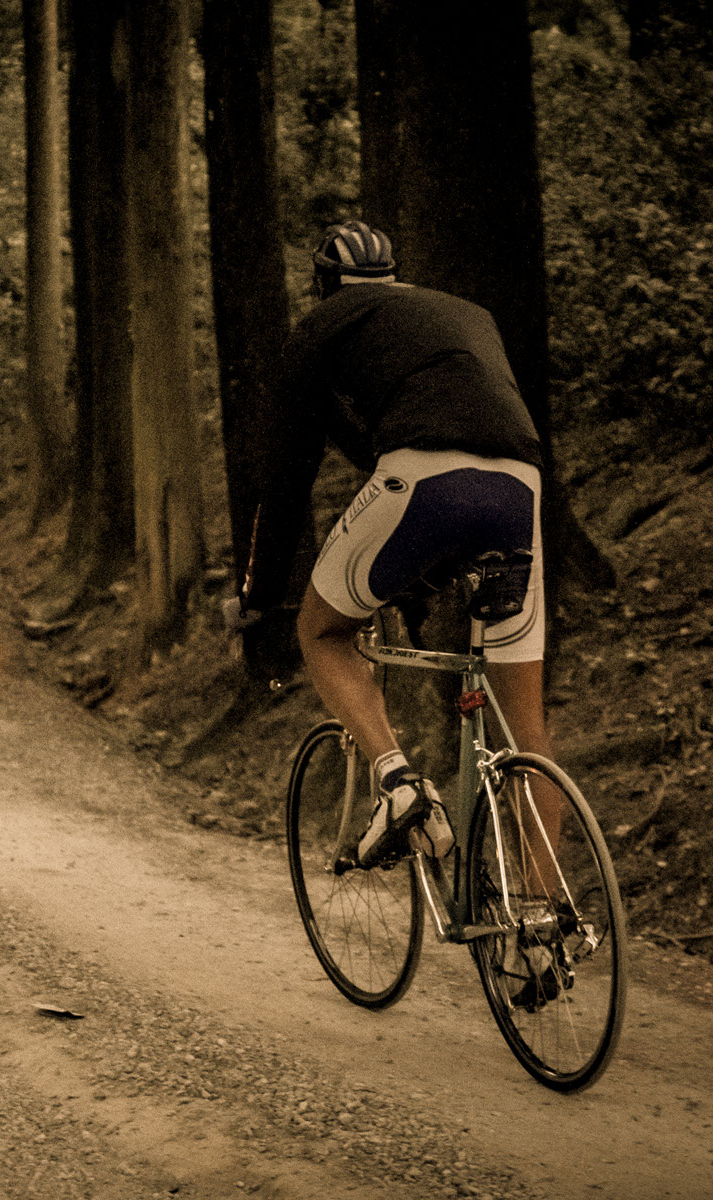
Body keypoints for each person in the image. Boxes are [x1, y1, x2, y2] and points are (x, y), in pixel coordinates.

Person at [229, 220, 554, 870]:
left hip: (426, 478)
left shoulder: (322, 326)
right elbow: (381, 432)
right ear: (392, 274)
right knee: (527, 732)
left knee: (321, 633)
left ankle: (399, 785)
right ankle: (547, 929)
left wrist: (257, 595)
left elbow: (286, 478)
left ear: (325, 285)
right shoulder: (461, 313)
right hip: (519, 485)